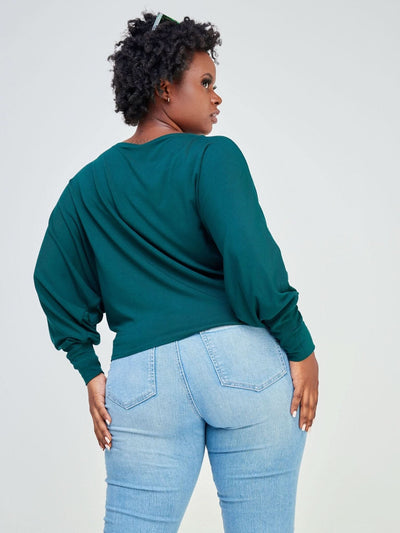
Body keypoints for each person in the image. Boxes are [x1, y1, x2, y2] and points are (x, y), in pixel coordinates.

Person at [33, 11, 319, 533]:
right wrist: (301, 348)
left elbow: (52, 277)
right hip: (242, 365)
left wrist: (89, 368)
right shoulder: (213, 157)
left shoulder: (86, 188)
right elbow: (252, 256)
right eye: (205, 82)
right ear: (165, 89)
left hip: (142, 381)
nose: (217, 97)